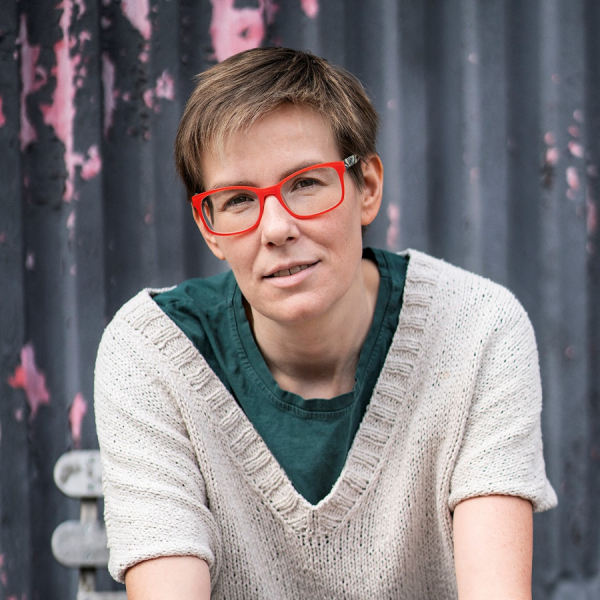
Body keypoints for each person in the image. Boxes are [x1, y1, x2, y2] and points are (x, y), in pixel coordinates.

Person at [94, 47, 557, 599]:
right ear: (209, 226)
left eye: (306, 183)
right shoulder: (153, 353)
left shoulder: (477, 332)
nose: (276, 228)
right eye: (239, 199)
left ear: (367, 188)